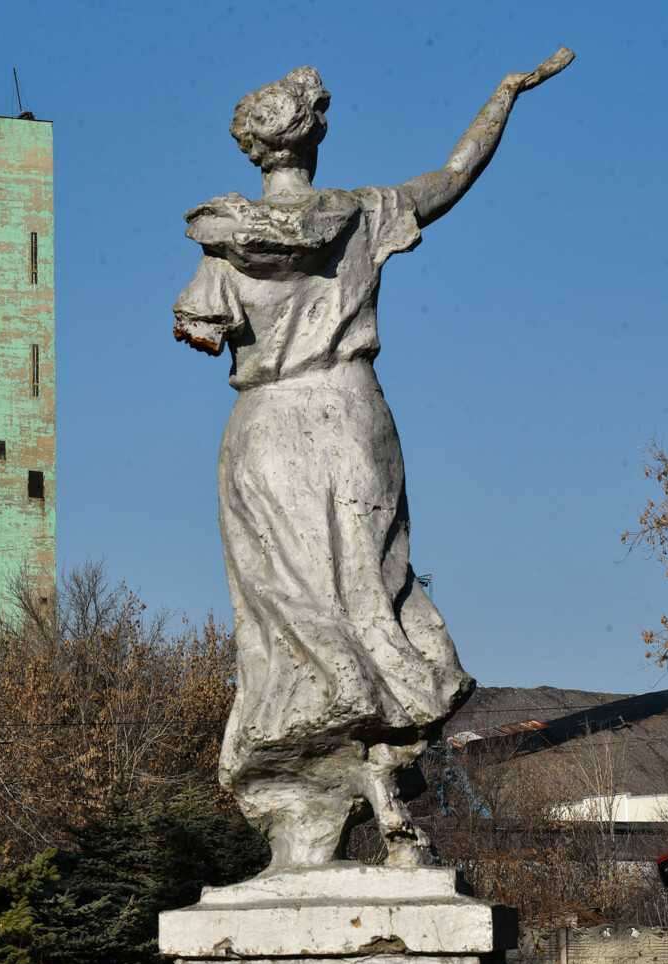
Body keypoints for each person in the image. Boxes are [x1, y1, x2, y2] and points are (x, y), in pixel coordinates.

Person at [175, 49, 572, 870]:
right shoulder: (364, 213)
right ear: (314, 137)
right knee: (370, 594)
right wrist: (503, 96)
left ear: (255, 150)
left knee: (288, 617)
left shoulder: (225, 244)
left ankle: (310, 814)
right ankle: (379, 783)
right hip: (352, 417)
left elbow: (199, 331)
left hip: (267, 429)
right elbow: (455, 176)